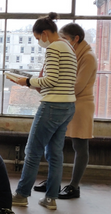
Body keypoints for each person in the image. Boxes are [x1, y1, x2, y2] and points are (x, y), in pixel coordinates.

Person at [10, 12, 77, 210]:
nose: (40, 42)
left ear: (46, 33)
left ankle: (22, 195)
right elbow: (61, 80)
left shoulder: (54, 48)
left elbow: (51, 80)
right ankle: (51, 198)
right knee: (55, 153)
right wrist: (34, 82)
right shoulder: (68, 47)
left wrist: (27, 81)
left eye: (39, 38)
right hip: (68, 106)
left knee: (32, 151)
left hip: (52, 106)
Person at [33, 23, 97, 199]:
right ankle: (52, 181)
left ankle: (74, 186)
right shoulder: (67, 52)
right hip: (64, 101)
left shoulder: (88, 57)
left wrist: (50, 88)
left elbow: (77, 86)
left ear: (76, 39)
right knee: (54, 144)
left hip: (80, 104)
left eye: (66, 39)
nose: (63, 42)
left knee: (79, 145)